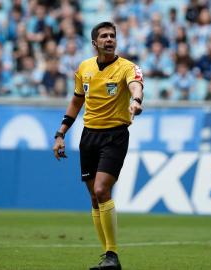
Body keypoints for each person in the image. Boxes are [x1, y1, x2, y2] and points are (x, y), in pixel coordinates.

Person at [52, 21, 144, 270]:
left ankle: (112, 255)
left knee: (103, 190)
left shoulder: (127, 67)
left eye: (112, 35)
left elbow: (136, 84)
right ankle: (108, 256)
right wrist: (60, 133)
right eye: (104, 36)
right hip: (89, 136)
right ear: (95, 43)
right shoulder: (84, 68)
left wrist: (135, 101)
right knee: (94, 197)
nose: (109, 39)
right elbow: (76, 101)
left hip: (115, 135)